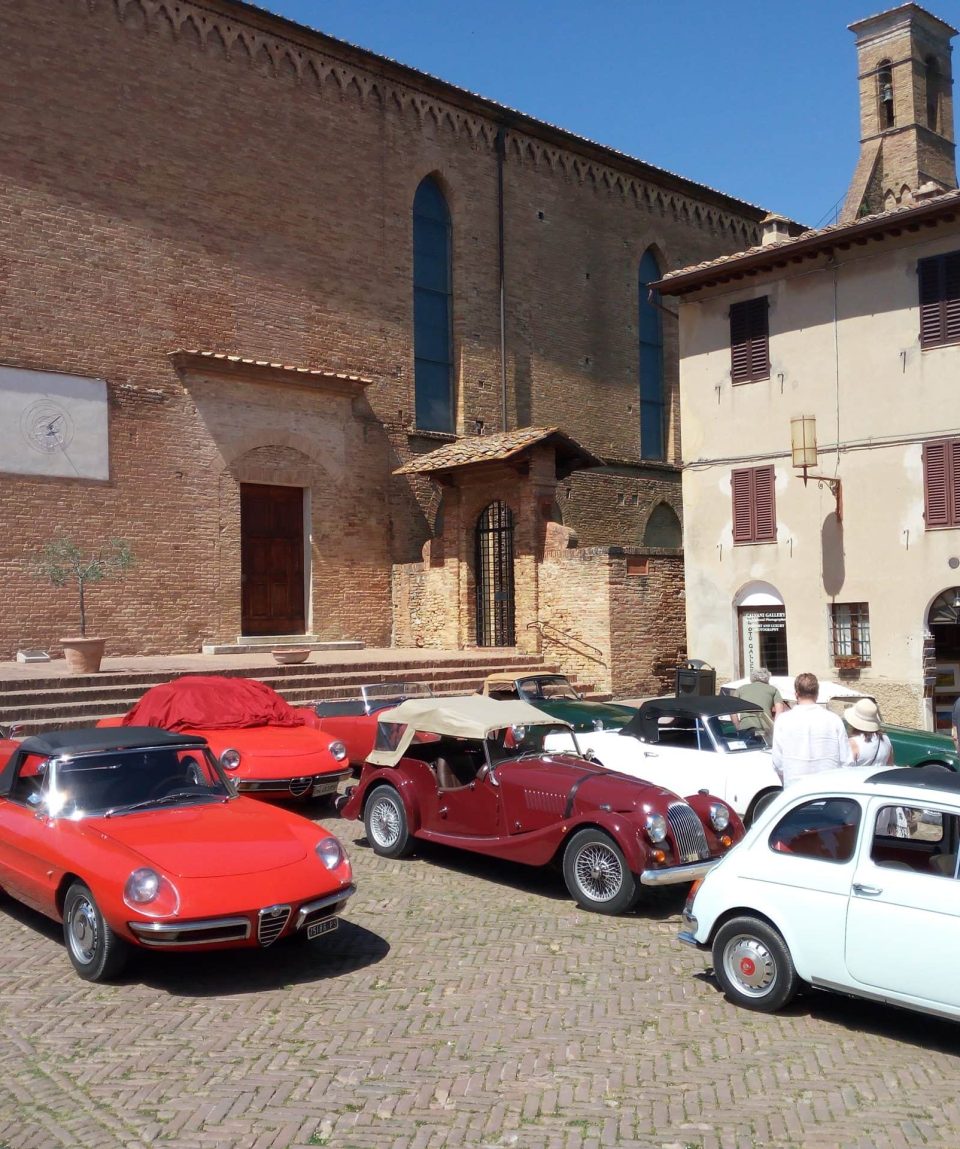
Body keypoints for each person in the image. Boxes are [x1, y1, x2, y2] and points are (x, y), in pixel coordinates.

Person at [771, 672, 853, 787]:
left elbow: (778, 763)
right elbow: (847, 761)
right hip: (829, 790)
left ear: (796, 694)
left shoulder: (783, 720)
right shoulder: (834, 720)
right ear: (817, 694)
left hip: (795, 793)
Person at [844, 697, 894, 768]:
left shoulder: (853, 743)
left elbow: (845, 769)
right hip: (878, 778)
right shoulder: (886, 740)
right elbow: (890, 766)